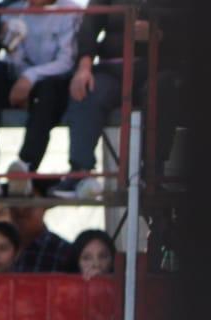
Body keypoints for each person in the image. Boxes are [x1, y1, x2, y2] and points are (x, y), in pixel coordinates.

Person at [52, 0, 179, 200]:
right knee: (88, 90)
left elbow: (193, 28)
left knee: (161, 90)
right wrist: (83, 68)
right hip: (112, 68)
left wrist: (159, 34)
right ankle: (80, 172)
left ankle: (152, 174)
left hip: (157, 67)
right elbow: (90, 24)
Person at [0, 0, 80, 197]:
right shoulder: (13, 12)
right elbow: (13, 62)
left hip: (53, 83)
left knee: (48, 93)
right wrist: (11, 45)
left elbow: (66, 62)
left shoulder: (72, 11)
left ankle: (26, 167)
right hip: (20, 82)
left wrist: (29, 78)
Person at [10, 183, 75, 272]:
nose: (21, 208)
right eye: (16, 200)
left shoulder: (65, 252)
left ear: (44, 206)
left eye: (30, 200)